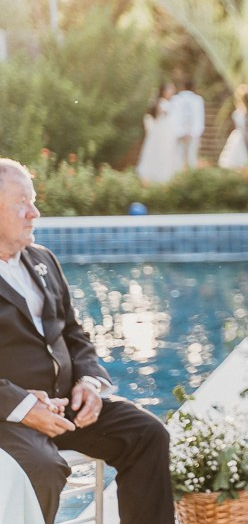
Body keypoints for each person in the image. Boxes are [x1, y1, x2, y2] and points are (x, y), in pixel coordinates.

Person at [0, 159, 173, 524]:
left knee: (147, 433)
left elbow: (75, 334)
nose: (35, 213)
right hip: (9, 417)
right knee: (42, 468)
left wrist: (89, 382)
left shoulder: (43, 259)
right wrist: (23, 407)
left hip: (67, 409)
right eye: (22, 203)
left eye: (33, 201)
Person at [135, 82, 180, 183]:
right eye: (169, 90)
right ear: (164, 91)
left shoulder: (172, 102)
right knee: (159, 151)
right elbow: (162, 114)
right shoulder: (161, 102)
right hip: (161, 132)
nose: (171, 92)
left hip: (168, 132)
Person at [172, 78, 205, 170]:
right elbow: (200, 118)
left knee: (178, 160)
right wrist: (194, 133)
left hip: (179, 134)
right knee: (192, 159)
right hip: (193, 135)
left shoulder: (176, 99)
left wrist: (180, 132)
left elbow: (174, 118)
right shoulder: (198, 100)